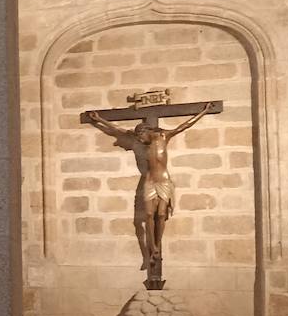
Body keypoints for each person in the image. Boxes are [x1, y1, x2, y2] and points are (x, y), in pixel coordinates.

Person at [81, 102, 214, 276]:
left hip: (164, 181)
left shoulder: (164, 136)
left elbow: (184, 125)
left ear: (145, 132)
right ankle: (152, 249)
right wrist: (99, 120)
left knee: (161, 215)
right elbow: (117, 129)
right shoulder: (139, 138)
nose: (140, 143)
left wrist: (203, 112)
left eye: (140, 139)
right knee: (147, 216)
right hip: (149, 181)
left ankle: (157, 245)